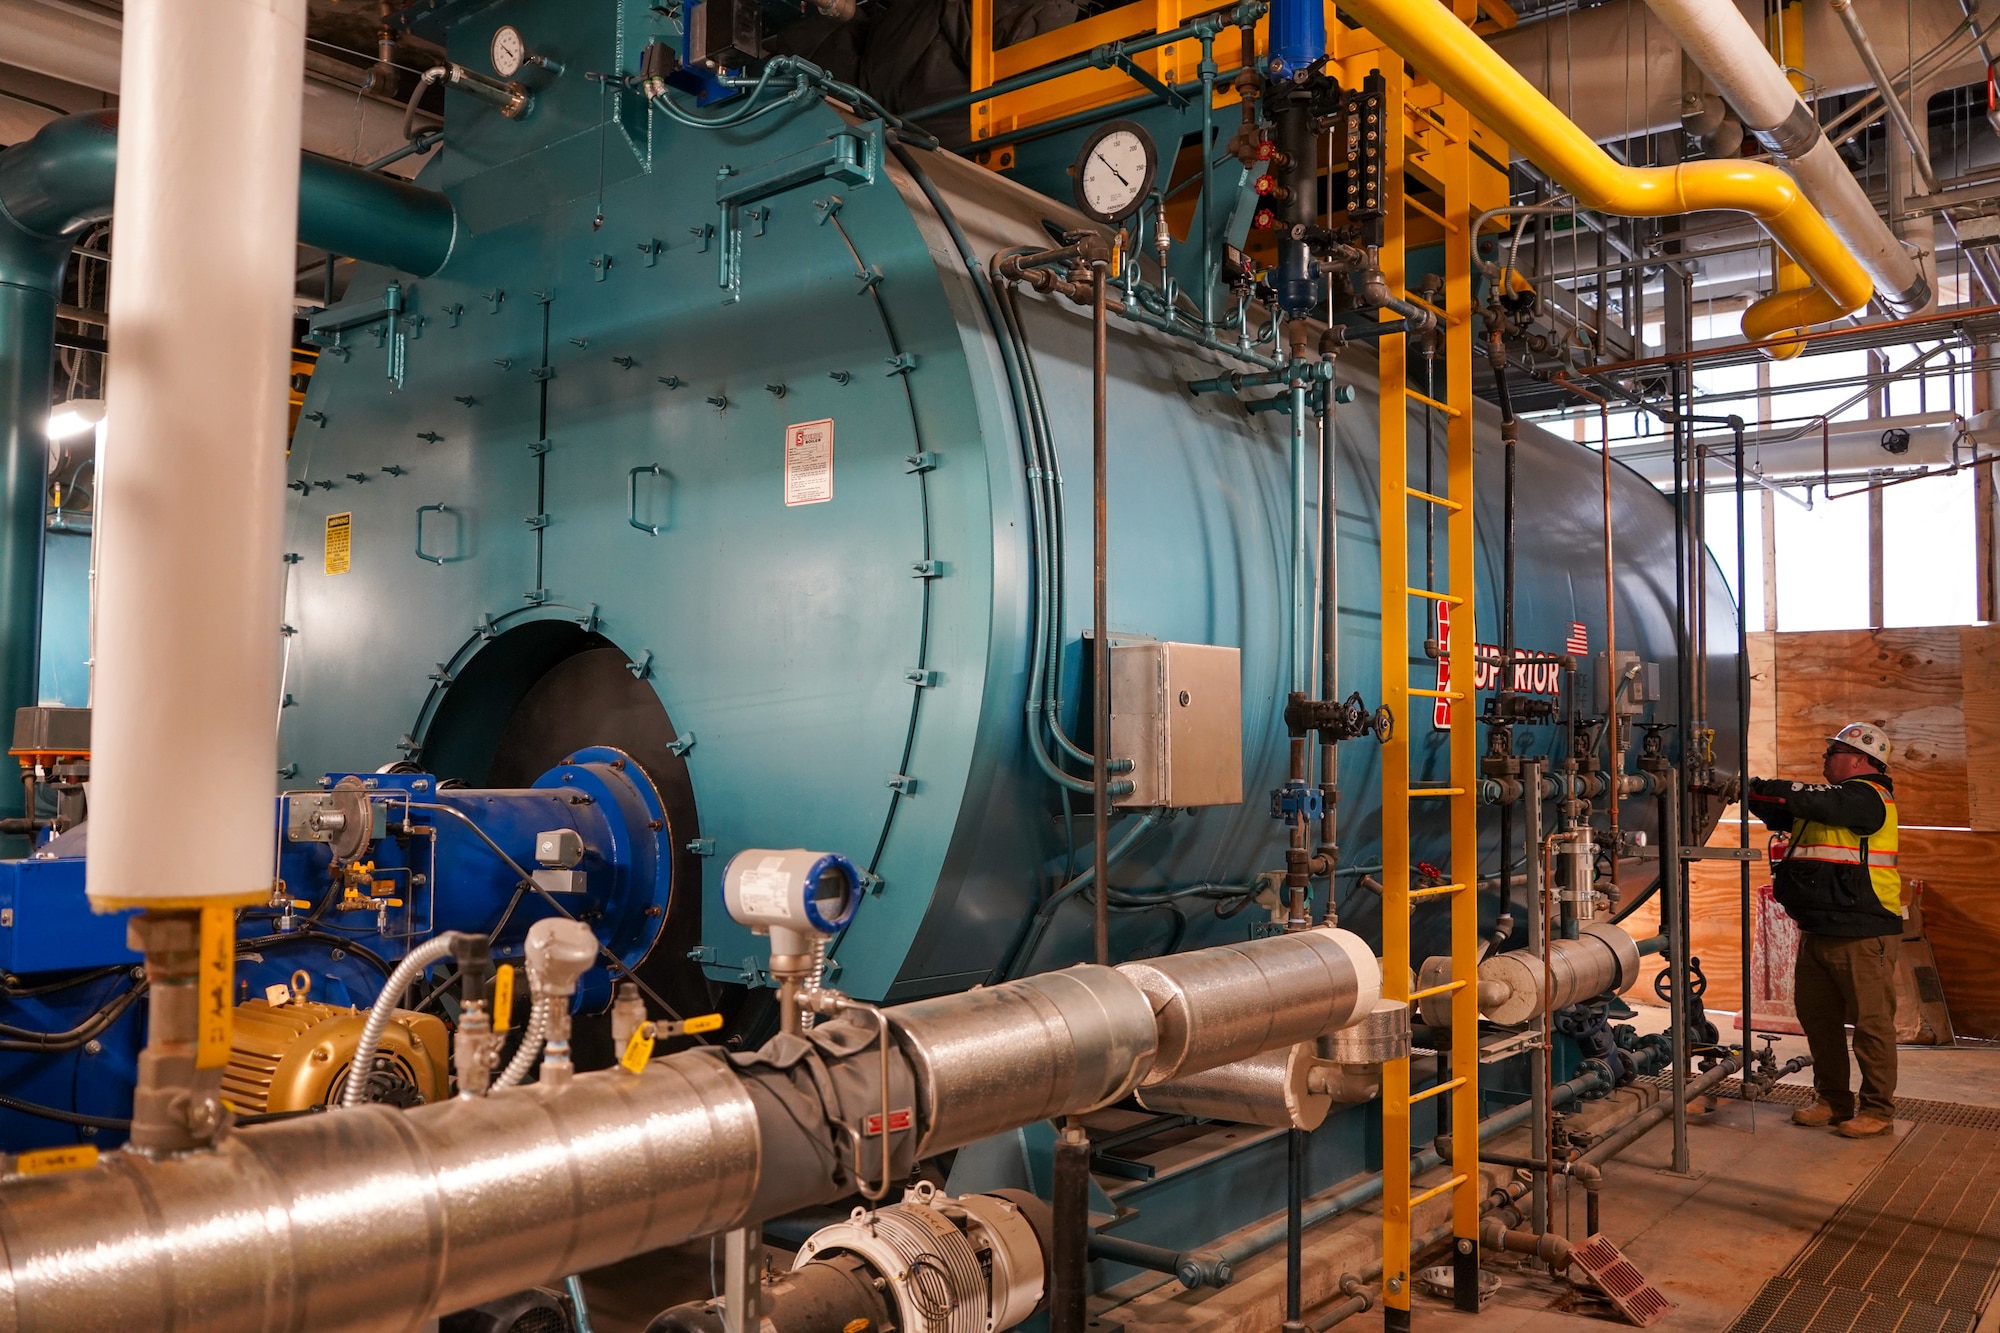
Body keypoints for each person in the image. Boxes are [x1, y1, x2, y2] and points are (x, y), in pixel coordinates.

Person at [1744, 722, 1901, 1139]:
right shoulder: (1826, 803)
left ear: (1860, 759)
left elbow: (1812, 800)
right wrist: (1736, 790)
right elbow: (1780, 805)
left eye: (1832, 752)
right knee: (1819, 1022)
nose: (1824, 759)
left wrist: (1753, 783)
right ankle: (1833, 1101)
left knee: (1871, 1026)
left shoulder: (1868, 798)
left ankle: (1878, 1111)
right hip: (1816, 931)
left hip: (1863, 934)